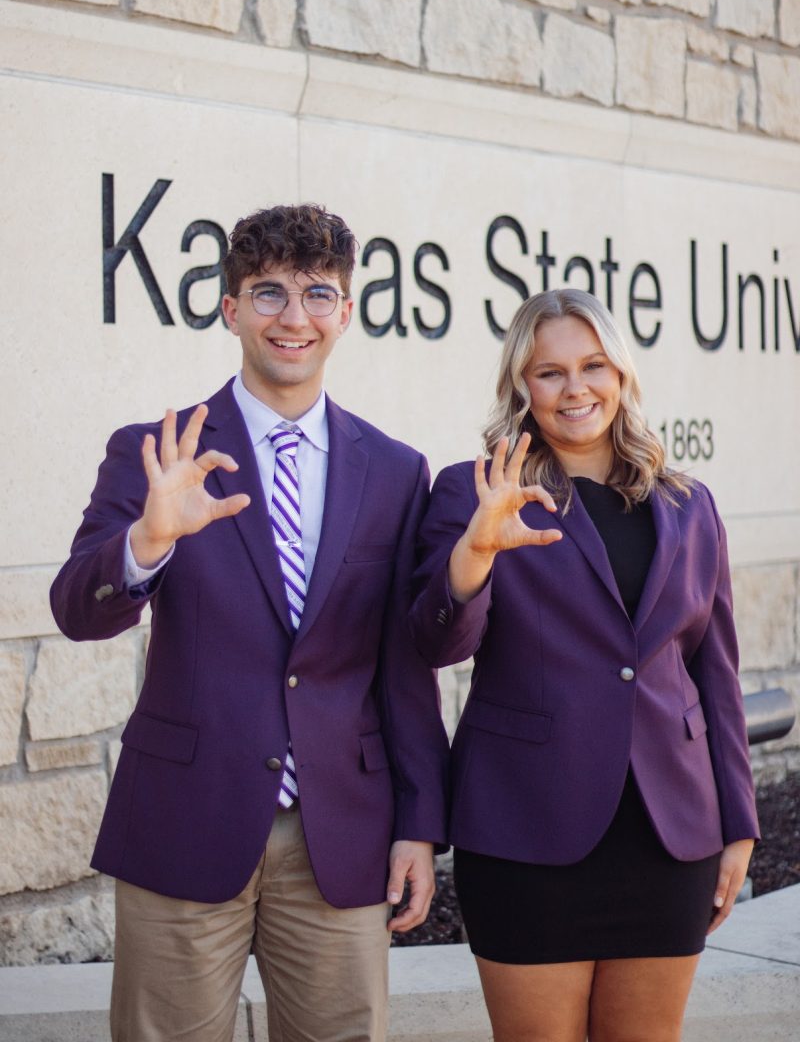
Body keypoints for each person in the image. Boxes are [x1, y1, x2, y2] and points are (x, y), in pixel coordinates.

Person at [50, 203, 449, 1042]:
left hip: (340, 833)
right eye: (267, 293)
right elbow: (75, 609)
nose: (292, 317)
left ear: (346, 310)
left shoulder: (394, 470)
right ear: (229, 308)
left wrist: (419, 822)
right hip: (185, 817)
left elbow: (404, 668)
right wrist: (147, 542)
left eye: (316, 294)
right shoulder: (156, 452)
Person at [410, 288, 758, 1042]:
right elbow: (437, 644)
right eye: (549, 373)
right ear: (520, 388)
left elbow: (714, 674)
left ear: (621, 375)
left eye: (593, 365)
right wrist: (475, 553)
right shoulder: (474, 494)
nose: (575, 390)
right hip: (525, 830)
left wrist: (739, 824)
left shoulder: (689, 506)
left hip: (670, 836)